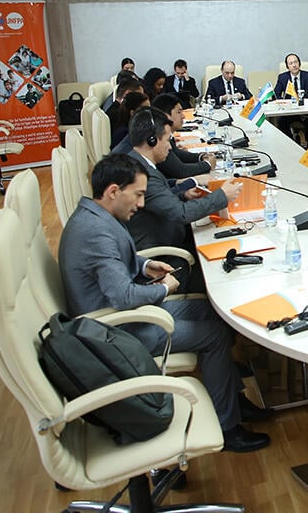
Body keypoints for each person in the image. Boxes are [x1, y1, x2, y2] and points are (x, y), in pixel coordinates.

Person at [58, 153, 271, 453]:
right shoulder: (95, 233)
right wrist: (163, 288)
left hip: (126, 315)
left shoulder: (95, 215)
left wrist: (145, 266)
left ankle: (232, 400)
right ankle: (228, 427)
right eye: (139, 195)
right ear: (113, 191)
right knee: (215, 334)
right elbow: (123, 296)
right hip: (119, 332)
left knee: (215, 310)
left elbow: (117, 264)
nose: (142, 204)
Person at [123, 108, 241, 254]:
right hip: (162, 253)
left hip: (165, 237)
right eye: (167, 140)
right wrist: (223, 195)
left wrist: (183, 195)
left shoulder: (137, 161)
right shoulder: (143, 175)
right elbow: (181, 213)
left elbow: (156, 201)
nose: (169, 147)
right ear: (152, 141)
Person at [151, 93, 215, 180]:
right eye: (179, 112)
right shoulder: (157, 137)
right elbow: (180, 171)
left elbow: (177, 153)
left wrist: (200, 157)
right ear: (165, 115)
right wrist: (207, 164)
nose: (183, 116)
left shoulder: (165, 133)